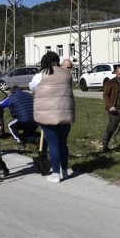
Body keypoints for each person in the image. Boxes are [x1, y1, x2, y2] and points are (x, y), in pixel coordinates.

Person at [32, 51, 75, 183]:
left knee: (53, 144)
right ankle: (64, 170)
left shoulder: (40, 75)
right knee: (63, 143)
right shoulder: (67, 74)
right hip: (65, 114)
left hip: (48, 115)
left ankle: (56, 174)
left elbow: (32, 87)